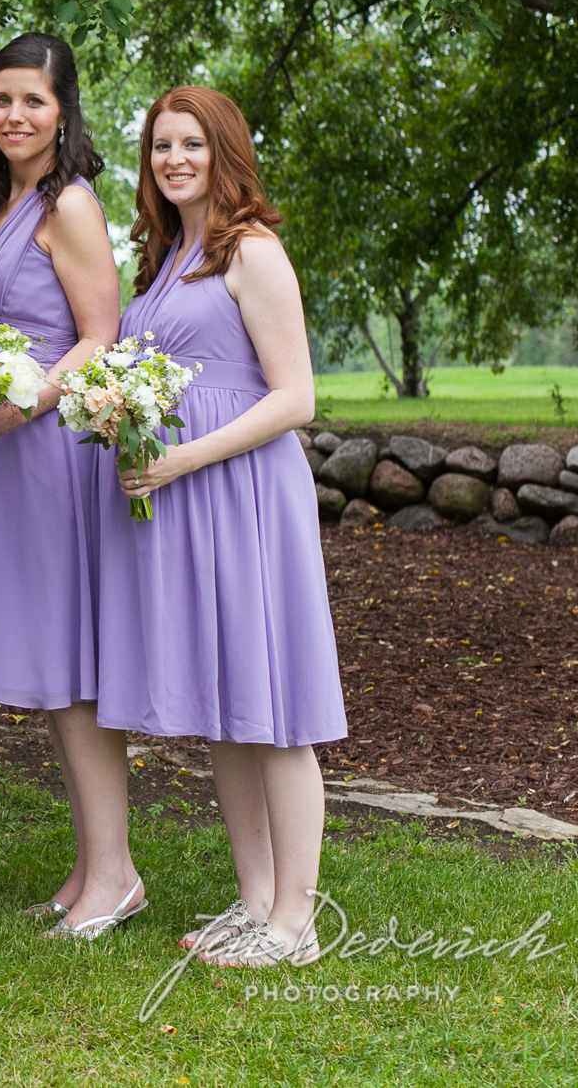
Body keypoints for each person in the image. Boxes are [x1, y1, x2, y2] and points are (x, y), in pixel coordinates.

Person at [97, 86, 346, 967]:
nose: (173, 160)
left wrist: (181, 458)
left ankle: (295, 921)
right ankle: (253, 902)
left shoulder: (252, 249)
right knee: (229, 707)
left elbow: (296, 398)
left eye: (191, 144)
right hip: (186, 497)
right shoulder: (166, 256)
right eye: (161, 145)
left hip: (243, 494)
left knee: (275, 707)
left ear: (223, 149)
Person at [0, 33, 137, 939]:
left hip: (54, 450)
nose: (14, 115)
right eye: (1, 100)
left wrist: (21, 405)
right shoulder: (4, 205)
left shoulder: (67, 204)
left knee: (75, 669)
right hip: (7, 452)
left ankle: (117, 874)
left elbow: (99, 334)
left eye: (31, 100)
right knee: (56, 668)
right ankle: (90, 864)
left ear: (64, 109)